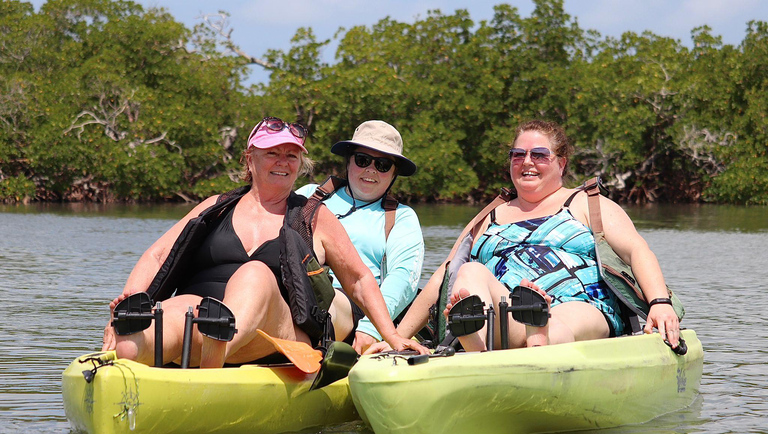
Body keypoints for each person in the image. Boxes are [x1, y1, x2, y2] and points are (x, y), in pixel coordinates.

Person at [102, 116, 428, 367]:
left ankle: (216, 349)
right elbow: (159, 256)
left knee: (255, 274)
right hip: (201, 311)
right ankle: (132, 346)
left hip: (274, 328)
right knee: (171, 313)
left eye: (291, 155)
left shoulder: (313, 214)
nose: (283, 162)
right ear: (249, 158)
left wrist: (391, 335)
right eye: (273, 153)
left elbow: (358, 279)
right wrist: (121, 312)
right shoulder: (216, 205)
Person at [396, 119, 681, 351]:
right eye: (518, 155)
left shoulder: (586, 203)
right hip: (504, 315)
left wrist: (660, 303)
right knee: (469, 271)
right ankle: (477, 346)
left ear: (561, 163)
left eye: (539, 155)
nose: (527, 162)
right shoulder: (488, 216)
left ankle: (539, 336)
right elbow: (444, 276)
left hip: (578, 306)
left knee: (558, 321)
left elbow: (636, 250)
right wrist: (396, 337)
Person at [296, 120, 424, 354]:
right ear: (349, 161)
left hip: (351, 306)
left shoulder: (402, 218)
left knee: (316, 304)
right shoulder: (307, 196)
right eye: (363, 160)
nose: (371, 170)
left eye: (383, 165)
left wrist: (371, 328)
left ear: (394, 173)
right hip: (291, 286)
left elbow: (403, 278)